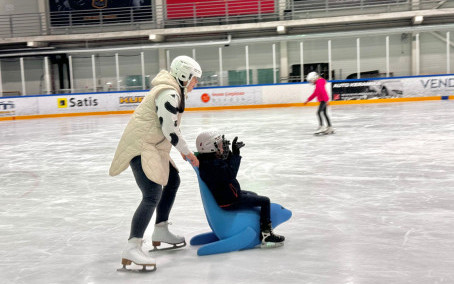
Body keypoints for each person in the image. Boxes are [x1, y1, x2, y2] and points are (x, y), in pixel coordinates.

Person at [109, 55, 201, 271]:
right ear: (183, 75)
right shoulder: (168, 93)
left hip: (154, 145)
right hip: (141, 146)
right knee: (151, 194)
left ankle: (160, 228)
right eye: (194, 79)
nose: (196, 83)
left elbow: (170, 128)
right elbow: (170, 129)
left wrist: (180, 148)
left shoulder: (174, 91)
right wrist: (187, 152)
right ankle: (132, 246)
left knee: (173, 180)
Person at [195, 130, 285, 248]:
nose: (223, 147)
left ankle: (256, 224)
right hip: (230, 200)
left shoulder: (208, 161)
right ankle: (266, 234)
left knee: (253, 194)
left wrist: (231, 155)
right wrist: (235, 154)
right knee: (265, 201)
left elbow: (224, 171)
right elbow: (230, 173)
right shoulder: (214, 165)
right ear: (211, 147)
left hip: (226, 195)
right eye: (220, 144)